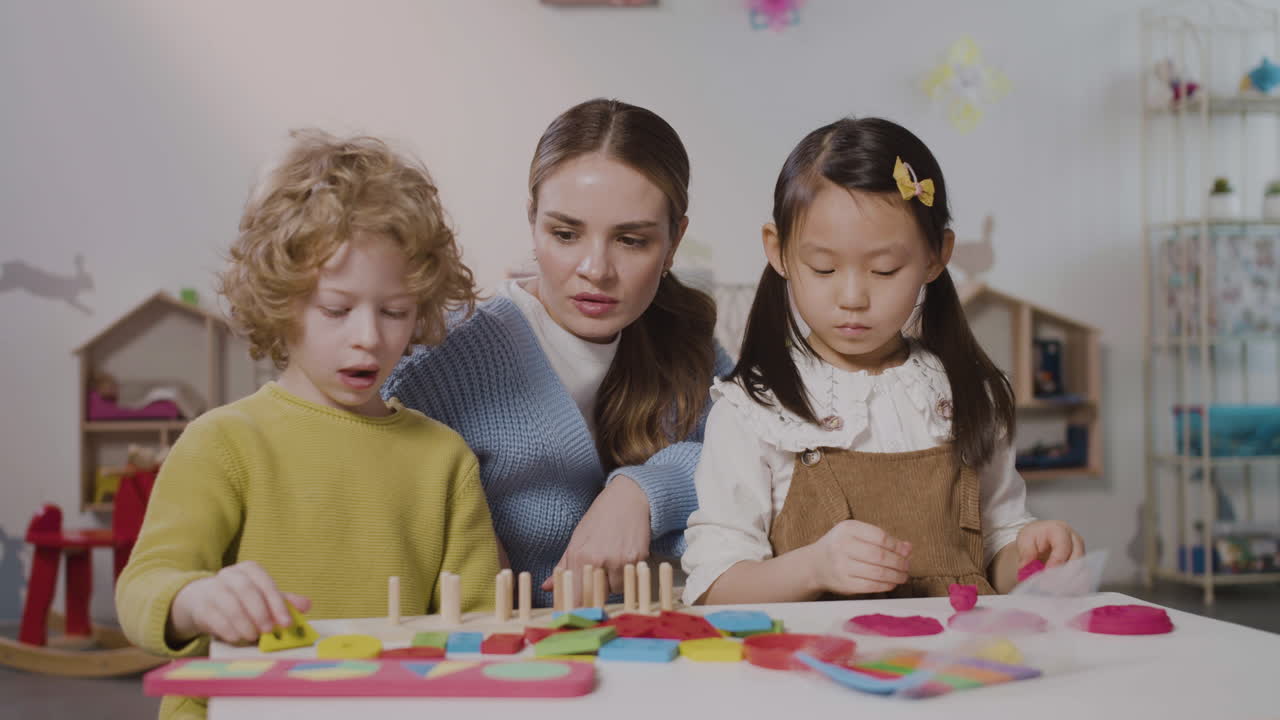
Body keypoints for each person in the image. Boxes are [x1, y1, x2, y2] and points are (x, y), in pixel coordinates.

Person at [116, 130, 498, 719]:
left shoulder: (444, 459)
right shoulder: (224, 443)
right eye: (336, 310)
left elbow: (474, 629)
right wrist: (195, 599)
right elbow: (143, 588)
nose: (369, 336)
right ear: (279, 300)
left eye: (395, 311)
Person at [682, 117, 1084, 605]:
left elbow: (995, 544)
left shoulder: (968, 394)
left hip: (960, 663)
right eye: (824, 268)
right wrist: (814, 567)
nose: (853, 297)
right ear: (779, 251)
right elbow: (715, 586)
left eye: (884, 269)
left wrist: (1031, 554)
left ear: (936, 257)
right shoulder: (754, 411)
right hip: (815, 668)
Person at [384, 99, 733, 607]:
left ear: (674, 241)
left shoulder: (685, 342)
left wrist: (639, 494)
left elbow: (752, 452)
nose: (595, 268)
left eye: (631, 240)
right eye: (565, 234)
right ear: (532, 221)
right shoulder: (441, 358)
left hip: (658, 643)